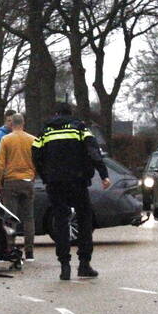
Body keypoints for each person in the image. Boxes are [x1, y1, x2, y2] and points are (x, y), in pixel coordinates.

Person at [32, 102, 110, 281]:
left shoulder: (46, 130)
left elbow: (35, 153)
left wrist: (45, 175)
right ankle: (84, 264)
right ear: (70, 113)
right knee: (84, 219)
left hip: (55, 182)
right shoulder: (80, 128)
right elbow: (93, 151)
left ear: (57, 113)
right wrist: (103, 174)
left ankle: (64, 266)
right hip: (78, 180)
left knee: (60, 221)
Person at [0, 113, 37, 261]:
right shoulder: (32, 140)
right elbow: (38, 161)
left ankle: (10, 249)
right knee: (29, 218)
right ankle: (29, 252)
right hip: (27, 181)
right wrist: (32, 176)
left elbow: (0, 164)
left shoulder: (6, 140)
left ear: (11, 124)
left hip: (10, 181)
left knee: (9, 218)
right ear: (23, 123)